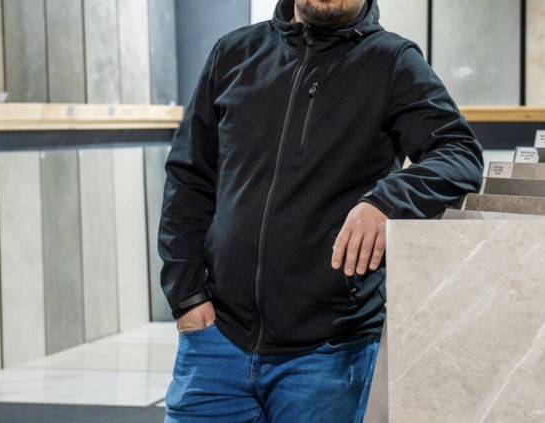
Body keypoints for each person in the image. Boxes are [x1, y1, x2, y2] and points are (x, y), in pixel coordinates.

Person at [158, 0, 483, 421]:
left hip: (330, 354)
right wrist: (186, 296)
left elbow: (458, 152)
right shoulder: (233, 53)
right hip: (216, 342)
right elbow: (189, 177)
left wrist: (385, 202)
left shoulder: (393, 61)